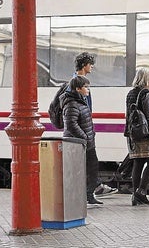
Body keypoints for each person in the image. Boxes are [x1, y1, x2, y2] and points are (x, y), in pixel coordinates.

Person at [73, 52, 118, 198]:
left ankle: (92, 192)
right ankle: (92, 190)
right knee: (90, 161)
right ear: (84, 65)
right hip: (84, 130)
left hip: (86, 129)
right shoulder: (76, 83)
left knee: (90, 161)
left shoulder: (81, 81)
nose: (92, 67)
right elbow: (78, 109)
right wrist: (85, 132)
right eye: (90, 64)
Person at [60, 75, 102, 206]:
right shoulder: (71, 104)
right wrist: (85, 137)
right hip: (78, 143)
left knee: (92, 169)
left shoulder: (81, 101)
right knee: (78, 171)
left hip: (87, 142)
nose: (88, 89)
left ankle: (89, 195)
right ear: (78, 89)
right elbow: (71, 124)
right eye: (86, 87)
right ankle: (79, 196)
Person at [125, 68, 149, 206]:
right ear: (147, 79)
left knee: (138, 162)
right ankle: (141, 191)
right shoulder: (147, 94)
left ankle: (136, 195)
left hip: (133, 133)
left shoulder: (130, 93)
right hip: (146, 134)